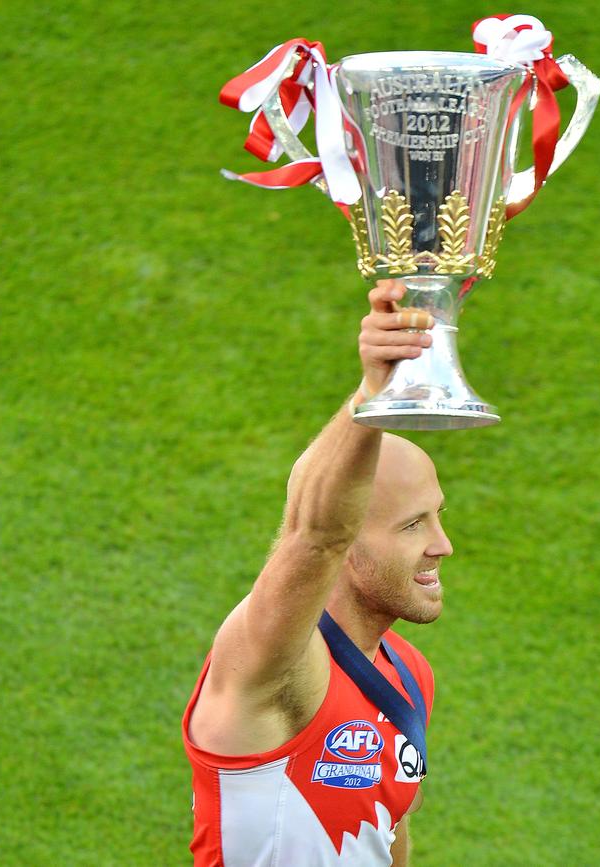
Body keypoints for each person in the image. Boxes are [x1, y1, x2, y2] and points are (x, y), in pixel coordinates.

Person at [183, 279, 453, 866]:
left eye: (438, 517)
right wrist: (373, 392)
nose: (443, 545)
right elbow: (313, 538)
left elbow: (387, 828)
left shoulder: (408, 673)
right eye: (412, 525)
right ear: (349, 545)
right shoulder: (271, 666)